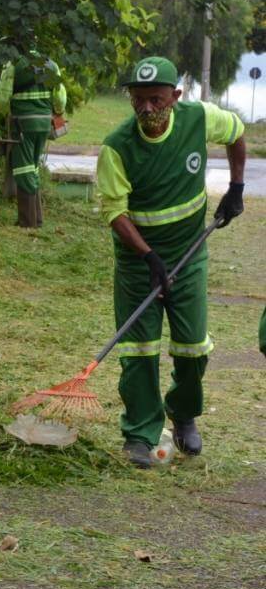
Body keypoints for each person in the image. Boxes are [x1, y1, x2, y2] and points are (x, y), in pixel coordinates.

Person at [95, 56, 246, 469]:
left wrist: (236, 186)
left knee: (193, 346)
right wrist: (148, 256)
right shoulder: (117, 147)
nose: (146, 108)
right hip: (137, 262)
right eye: (138, 100)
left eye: (156, 99)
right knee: (139, 350)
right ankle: (140, 435)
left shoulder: (198, 118)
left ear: (175, 97)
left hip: (189, 254)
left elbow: (236, 133)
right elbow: (116, 214)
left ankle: (183, 413)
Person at [0, 46, 67, 227]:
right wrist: (58, 113)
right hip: (44, 124)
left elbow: (1, 99)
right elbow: (60, 98)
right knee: (33, 168)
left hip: (23, 124)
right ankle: (37, 219)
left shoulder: (13, 64)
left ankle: (27, 222)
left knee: (23, 170)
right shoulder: (49, 65)